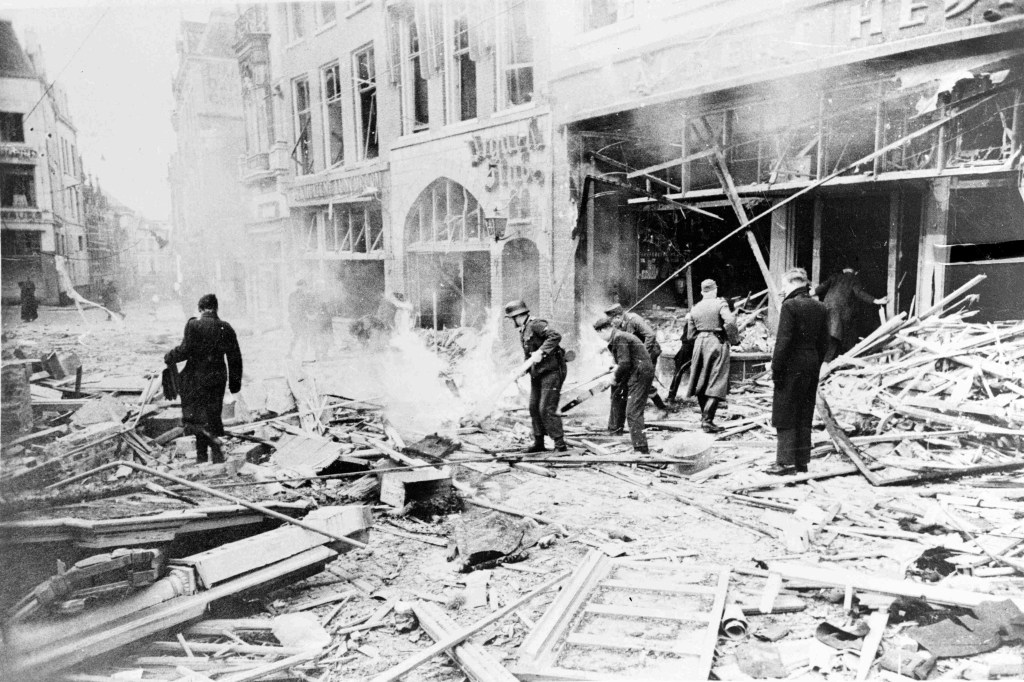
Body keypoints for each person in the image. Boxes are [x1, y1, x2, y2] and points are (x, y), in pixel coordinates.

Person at [164, 294, 243, 464]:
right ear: (216, 308)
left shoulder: (193, 324)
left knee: (195, 417)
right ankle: (214, 458)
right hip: (218, 378)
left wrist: (170, 356)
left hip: (196, 377)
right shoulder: (226, 327)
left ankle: (206, 452)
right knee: (213, 415)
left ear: (200, 308)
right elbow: (235, 358)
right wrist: (234, 384)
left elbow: (184, 350)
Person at [768, 268, 829, 475]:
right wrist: (815, 362)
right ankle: (802, 462)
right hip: (811, 363)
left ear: (793, 284)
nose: (783, 289)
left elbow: (783, 342)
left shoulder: (790, 306)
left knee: (785, 412)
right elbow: (824, 342)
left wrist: (776, 369)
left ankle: (785, 463)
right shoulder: (820, 307)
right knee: (804, 412)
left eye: (784, 285)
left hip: (791, 364)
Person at [504, 299, 568, 453]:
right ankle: (539, 442)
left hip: (551, 372)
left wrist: (542, 351)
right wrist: (521, 370)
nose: (512, 322)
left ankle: (560, 445)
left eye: (512, 319)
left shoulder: (536, 324)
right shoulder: (524, 330)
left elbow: (555, 336)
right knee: (534, 408)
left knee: (546, 408)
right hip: (537, 373)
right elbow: (529, 357)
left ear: (518, 316)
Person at [685, 279, 739, 433]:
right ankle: (707, 421)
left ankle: (705, 418)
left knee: (701, 381)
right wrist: (734, 340)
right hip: (716, 342)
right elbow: (729, 321)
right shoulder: (720, 303)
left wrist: (701, 337)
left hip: (699, 344)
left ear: (702, 292)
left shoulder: (694, 308)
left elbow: (690, 335)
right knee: (717, 381)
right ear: (715, 290)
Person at [594, 316, 654, 454]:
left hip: (640, 374)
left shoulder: (619, 337)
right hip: (635, 371)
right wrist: (615, 368)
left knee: (632, 411)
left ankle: (641, 449)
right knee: (617, 395)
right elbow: (624, 361)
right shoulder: (619, 337)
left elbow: (625, 364)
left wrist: (612, 379)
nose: (601, 338)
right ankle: (615, 430)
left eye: (599, 334)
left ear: (605, 329)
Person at [814, 265, 887, 363]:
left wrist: (807, 292)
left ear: (844, 270)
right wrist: (876, 300)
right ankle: (827, 363)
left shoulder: (834, 276)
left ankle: (824, 361)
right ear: (856, 272)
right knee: (836, 337)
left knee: (827, 335)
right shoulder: (854, 279)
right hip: (841, 314)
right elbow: (859, 293)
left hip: (826, 309)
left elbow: (818, 289)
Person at [604, 303, 668, 410]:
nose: (612, 325)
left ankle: (661, 407)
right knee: (635, 377)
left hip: (650, 351)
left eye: (612, 321)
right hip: (637, 354)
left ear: (618, 317)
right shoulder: (619, 325)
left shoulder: (634, 319)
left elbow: (650, 335)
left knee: (642, 378)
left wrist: (644, 354)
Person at [287, 279, 313, 359]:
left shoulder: (305, 295)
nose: (304, 287)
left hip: (302, 319)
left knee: (302, 336)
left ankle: (301, 355)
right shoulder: (294, 295)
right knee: (298, 336)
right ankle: (291, 353)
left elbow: (308, 307)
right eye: (303, 285)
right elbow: (290, 308)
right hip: (297, 319)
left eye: (305, 286)